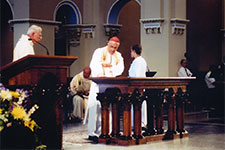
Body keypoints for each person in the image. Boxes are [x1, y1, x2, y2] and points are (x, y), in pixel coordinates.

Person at [85, 36, 124, 142]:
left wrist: (109, 70)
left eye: (115, 48)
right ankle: (92, 132)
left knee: (109, 107)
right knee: (95, 106)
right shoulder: (99, 52)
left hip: (110, 84)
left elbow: (120, 69)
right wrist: (103, 69)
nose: (113, 49)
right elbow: (94, 65)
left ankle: (107, 130)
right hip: (98, 83)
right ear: (108, 44)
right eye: (111, 47)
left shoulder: (118, 56)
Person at [128, 44, 147, 129]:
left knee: (138, 105)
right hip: (137, 86)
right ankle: (139, 122)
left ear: (134, 51)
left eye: (131, 51)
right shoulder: (140, 60)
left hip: (137, 86)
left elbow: (137, 75)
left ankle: (139, 123)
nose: (130, 53)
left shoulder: (138, 61)